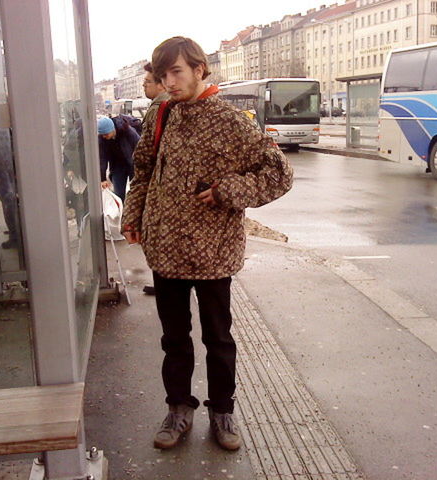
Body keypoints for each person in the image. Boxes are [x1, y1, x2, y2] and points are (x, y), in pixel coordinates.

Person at [121, 37, 293, 451]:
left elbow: (279, 175)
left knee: (218, 338)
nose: (169, 82)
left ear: (200, 69)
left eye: (176, 72)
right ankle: (178, 408)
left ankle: (223, 412)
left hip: (213, 251)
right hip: (165, 248)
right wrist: (133, 215)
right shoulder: (161, 113)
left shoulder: (233, 121)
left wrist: (227, 191)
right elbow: (142, 169)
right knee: (173, 338)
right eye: (162, 75)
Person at [140, 62, 169, 296]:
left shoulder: (160, 107)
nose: (143, 86)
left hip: (159, 192)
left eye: (147, 82)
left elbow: (146, 158)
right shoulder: (162, 108)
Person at [98, 115, 139, 204]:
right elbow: (102, 158)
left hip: (132, 164)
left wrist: (141, 166)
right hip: (117, 166)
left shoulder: (128, 131)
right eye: (102, 135)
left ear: (112, 129)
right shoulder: (102, 139)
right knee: (118, 194)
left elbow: (140, 147)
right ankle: (121, 213)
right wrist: (102, 178)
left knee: (135, 192)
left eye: (106, 134)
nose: (104, 136)